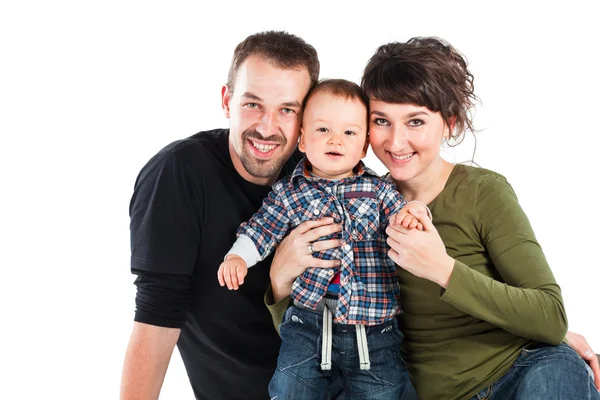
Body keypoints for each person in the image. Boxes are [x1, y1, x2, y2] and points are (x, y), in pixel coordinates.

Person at [266, 36, 600, 400]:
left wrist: (442, 268)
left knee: (556, 375)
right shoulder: (350, 204)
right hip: (418, 390)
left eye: (415, 121)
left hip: (517, 373)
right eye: (381, 121)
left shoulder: (483, 192)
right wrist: (279, 283)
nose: (395, 142)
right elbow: (313, 343)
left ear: (449, 123)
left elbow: (549, 315)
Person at [120, 30, 333, 400]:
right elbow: (158, 312)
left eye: (287, 109)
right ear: (226, 100)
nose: (267, 127)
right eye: (253, 104)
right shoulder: (179, 172)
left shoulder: (322, 173)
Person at [217, 79, 430, 399]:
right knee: (289, 390)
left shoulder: (380, 192)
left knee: (382, 393)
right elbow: (261, 229)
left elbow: (405, 220)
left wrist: (415, 213)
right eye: (322, 130)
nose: (336, 140)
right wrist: (238, 256)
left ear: (363, 147)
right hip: (307, 325)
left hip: (372, 329)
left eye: (349, 132)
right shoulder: (290, 192)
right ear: (302, 139)